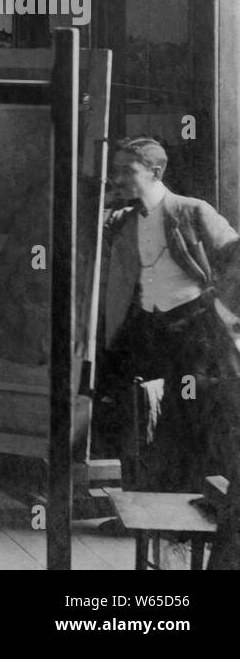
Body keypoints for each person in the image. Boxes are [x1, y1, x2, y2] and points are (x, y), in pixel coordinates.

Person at [101, 135, 240, 505]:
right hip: (147, 326)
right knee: (127, 405)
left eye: (127, 171)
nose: (118, 179)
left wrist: (219, 302)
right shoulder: (124, 220)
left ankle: (192, 502)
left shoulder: (192, 210)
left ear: (156, 171)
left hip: (194, 329)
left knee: (187, 409)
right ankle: (142, 500)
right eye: (114, 171)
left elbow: (234, 254)